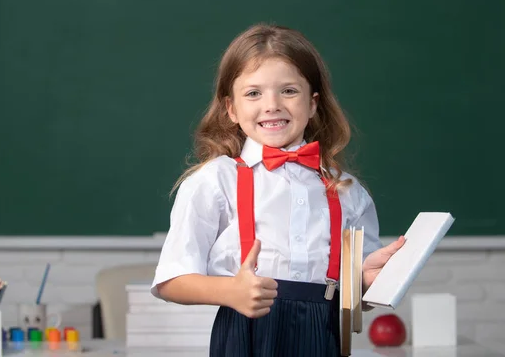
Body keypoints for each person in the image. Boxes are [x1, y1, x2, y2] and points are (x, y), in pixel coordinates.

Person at [150, 23, 405, 357]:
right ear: (231, 108)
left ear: (313, 103)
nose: (271, 105)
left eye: (288, 91)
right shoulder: (213, 181)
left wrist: (367, 281)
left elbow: (356, 301)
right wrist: (231, 291)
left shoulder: (347, 191)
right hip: (245, 332)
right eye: (253, 93)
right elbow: (172, 281)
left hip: (323, 332)